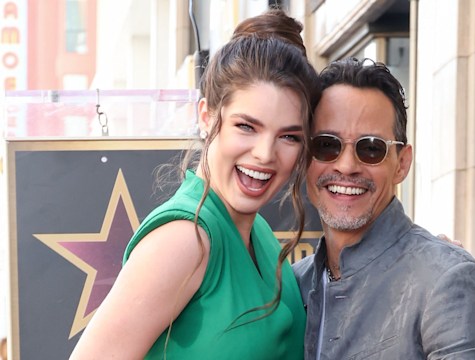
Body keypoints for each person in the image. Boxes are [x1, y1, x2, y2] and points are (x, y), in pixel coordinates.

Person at [70, 9, 321, 359]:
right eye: (246, 127)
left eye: (289, 136)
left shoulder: (258, 233)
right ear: (206, 116)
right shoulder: (185, 238)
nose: (265, 154)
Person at [293, 58, 475, 359]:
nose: (347, 165)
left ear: (402, 163)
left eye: (371, 148)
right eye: (327, 145)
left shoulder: (446, 279)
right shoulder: (294, 285)